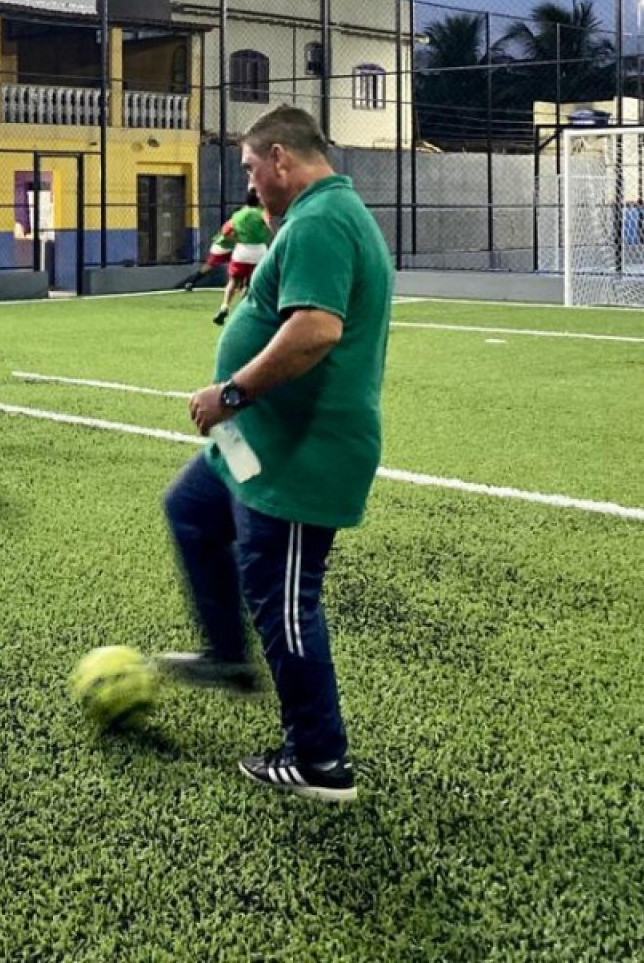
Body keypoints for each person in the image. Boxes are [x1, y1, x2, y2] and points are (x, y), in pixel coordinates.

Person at [162, 106, 393, 804]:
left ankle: (320, 761)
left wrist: (230, 394)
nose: (250, 185)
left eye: (250, 169)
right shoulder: (316, 215)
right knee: (192, 509)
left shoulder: (321, 220)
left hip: (300, 452)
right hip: (256, 442)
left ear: (282, 160)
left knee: (285, 598)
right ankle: (228, 657)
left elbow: (316, 331)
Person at [212, 188, 271, 327]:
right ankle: (243, 312)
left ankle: (225, 306)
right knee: (253, 283)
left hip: (242, 251)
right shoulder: (261, 213)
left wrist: (237, 238)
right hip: (259, 251)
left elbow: (225, 232)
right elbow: (270, 226)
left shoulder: (238, 215)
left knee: (233, 280)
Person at [178, 207, 238, 295]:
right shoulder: (231, 223)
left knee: (239, 263)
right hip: (221, 248)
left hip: (230, 248)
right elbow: (227, 235)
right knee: (208, 266)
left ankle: (239, 285)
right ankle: (191, 283)